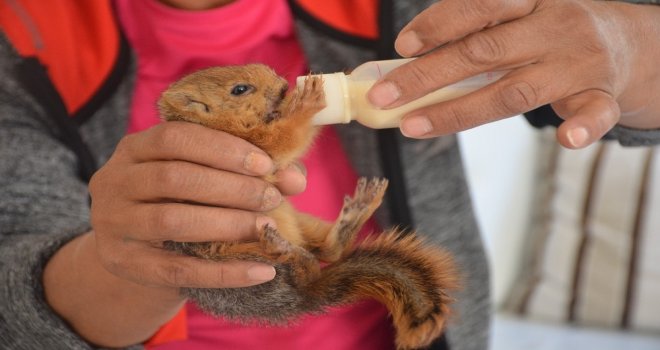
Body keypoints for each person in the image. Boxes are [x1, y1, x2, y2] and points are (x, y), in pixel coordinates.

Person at [1, 1, 657, 350]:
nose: (275, 93)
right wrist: (124, 261)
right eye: (243, 91)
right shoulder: (23, 37)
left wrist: (635, 46)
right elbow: (18, 298)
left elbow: (603, 78)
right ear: (196, 107)